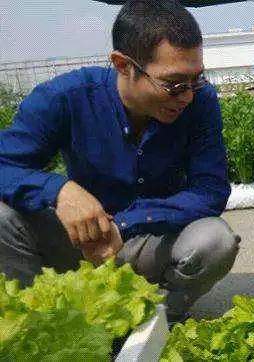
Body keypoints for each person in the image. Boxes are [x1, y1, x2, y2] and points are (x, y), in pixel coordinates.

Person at [0, 0, 240, 322]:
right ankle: (46, 326)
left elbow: (210, 190)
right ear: (123, 65)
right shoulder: (66, 97)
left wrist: (123, 225)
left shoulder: (201, 103)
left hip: (151, 239)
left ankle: (155, 324)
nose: (187, 96)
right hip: (82, 244)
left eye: (196, 79)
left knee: (215, 241)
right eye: (174, 84)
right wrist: (59, 190)